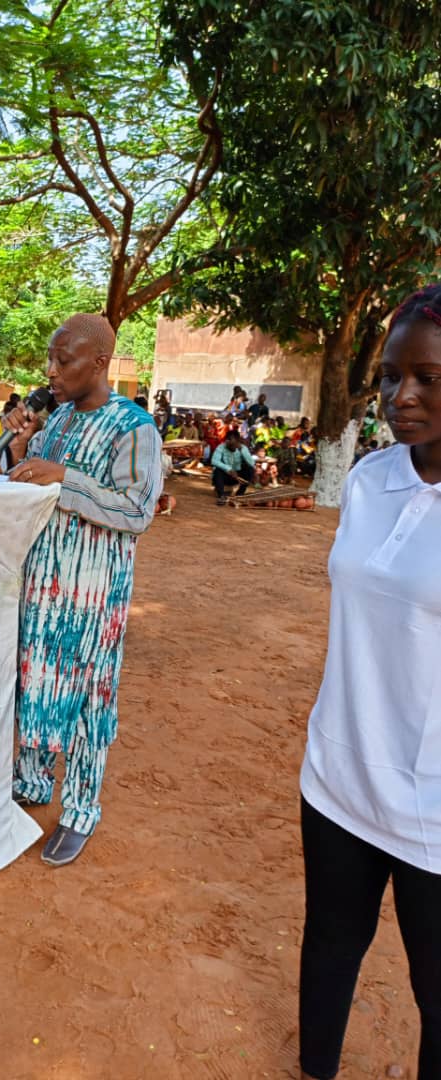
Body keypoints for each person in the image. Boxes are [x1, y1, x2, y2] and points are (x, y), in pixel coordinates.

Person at [297, 285, 441, 1080]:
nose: (399, 397)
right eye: (389, 377)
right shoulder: (366, 478)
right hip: (338, 776)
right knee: (327, 943)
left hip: (434, 806)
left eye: (424, 377)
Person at [5, 313, 162, 867]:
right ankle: (31, 782)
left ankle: (79, 810)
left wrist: (64, 478)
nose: (50, 371)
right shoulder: (56, 423)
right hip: (43, 587)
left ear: (99, 363)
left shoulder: (134, 427)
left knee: (88, 699)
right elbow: (30, 488)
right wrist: (23, 452)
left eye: (63, 360)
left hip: (94, 596)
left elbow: (137, 512)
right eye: (49, 358)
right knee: (33, 683)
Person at [211, 429, 255, 504]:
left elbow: (251, 463)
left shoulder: (243, 448)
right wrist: (229, 469)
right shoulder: (221, 447)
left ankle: (240, 493)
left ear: (238, 441)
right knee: (217, 470)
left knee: (250, 469)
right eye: (228, 441)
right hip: (225, 476)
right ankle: (221, 496)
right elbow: (214, 461)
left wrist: (242, 450)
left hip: (238, 477)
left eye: (233, 443)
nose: (229, 443)